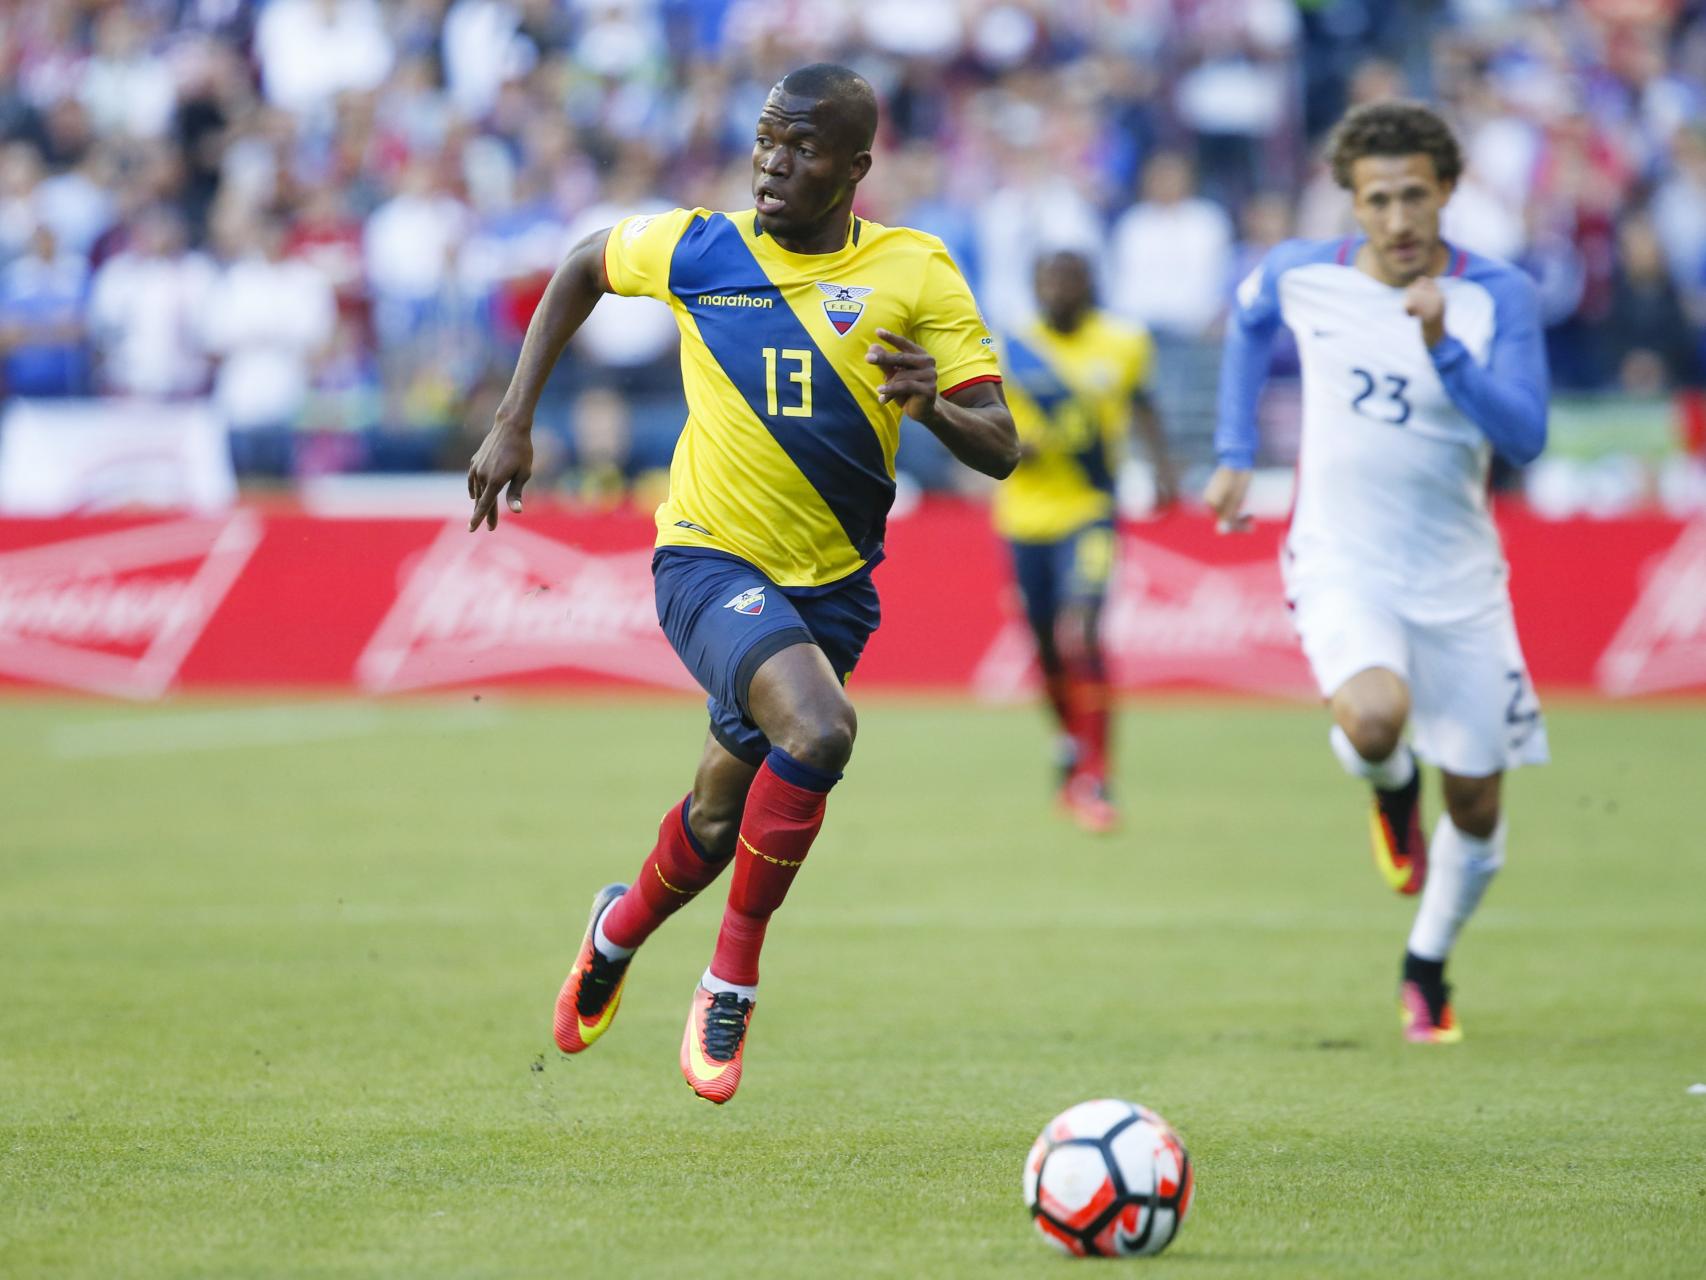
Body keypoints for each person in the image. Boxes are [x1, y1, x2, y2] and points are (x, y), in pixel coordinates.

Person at [465, 63, 1016, 1104]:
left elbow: (1001, 445)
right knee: (820, 727)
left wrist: (934, 407)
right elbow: (580, 265)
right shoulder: (700, 248)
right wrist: (513, 418)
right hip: (706, 559)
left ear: (854, 167)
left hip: (833, 590)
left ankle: (614, 931)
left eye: (802, 146)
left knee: (719, 819)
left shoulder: (915, 270)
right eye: (766, 139)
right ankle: (731, 981)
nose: (772, 162)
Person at [1204, 102, 1549, 1045]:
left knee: (1476, 803)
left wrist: (1443, 348)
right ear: (1352, 203)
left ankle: (1426, 965)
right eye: (1379, 200)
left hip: (1460, 579)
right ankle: (1392, 785)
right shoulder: (1303, 273)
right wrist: (1234, 451)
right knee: (1371, 717)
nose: (1398, 219)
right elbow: (1246, 322)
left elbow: (1525, 435)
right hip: (1342, 557)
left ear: (1448, 192)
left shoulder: (1498, 296)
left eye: (1414, 197)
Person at [992, 249, 1176, 833]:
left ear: (1090, 285)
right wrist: (1011, 447)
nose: (1057, 290)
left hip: (1091, 510)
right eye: (1047, 279)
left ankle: (1096, 776)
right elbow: (985, 418)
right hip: (1024, 517)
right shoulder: (1010, 347)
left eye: (1068, 279)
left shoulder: (1124, 342)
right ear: (1033, 286)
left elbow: (1144, 405)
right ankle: (1071, 744)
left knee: (1084, 629)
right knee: (1046, 646)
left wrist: (1165, 469)